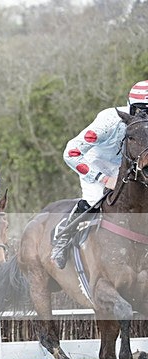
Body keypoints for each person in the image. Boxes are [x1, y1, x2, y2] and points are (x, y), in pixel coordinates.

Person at [50, 79, 148, 269]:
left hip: (128, 168)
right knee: (94, 199)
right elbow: (71, 152)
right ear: (131, 108)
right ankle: (63, 237)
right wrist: (103, 178)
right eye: (142, 111)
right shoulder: (108, 121)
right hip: (97, 165)